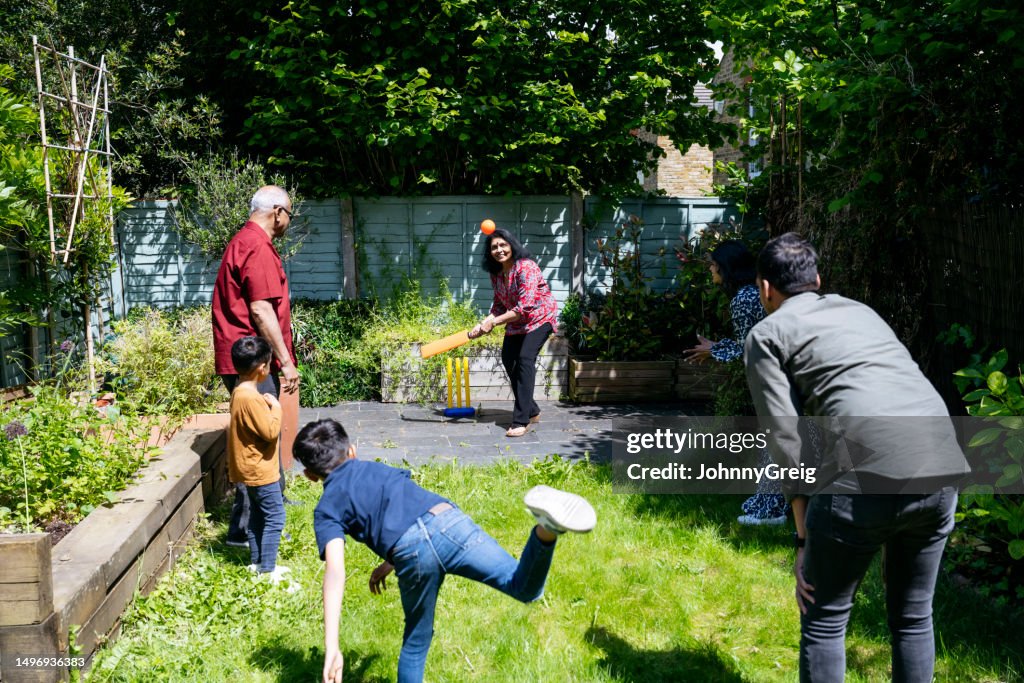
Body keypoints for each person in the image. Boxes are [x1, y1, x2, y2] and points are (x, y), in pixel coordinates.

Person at [744, 233, 967, 682]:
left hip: (865, 474)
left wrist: (804, 540)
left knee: (824, 617)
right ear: (818, 279)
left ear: (765, 288)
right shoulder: (859, 311)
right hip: (943, 460)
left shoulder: (766, 334)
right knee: (913, 615)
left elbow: (788, 440)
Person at [293, 418, 597, 683]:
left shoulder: (326, 508)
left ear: (309, 476)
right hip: (447, 519)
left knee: (416, 641)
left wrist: (332, 645)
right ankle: (547, 529)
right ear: (352, 450)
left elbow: (335, 571)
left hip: (411, 552)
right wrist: (388, 564)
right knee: (523, 587)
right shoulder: (375, 468)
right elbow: (405, 511)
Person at [212, 185, 300, 547]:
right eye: (289, 215)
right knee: (256, 443)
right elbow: (261, 310)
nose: (288, 222)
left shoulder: (245, 241)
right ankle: (246, 530)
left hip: (250, 360)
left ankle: (271, 503)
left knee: (264, 437)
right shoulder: (256, 246)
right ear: (277, 211)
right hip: (253, 362)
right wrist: (286, 361)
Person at [683, 240, 788, 526]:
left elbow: (751, 348)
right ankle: (784, 506)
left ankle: (769, 511)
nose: (710, 268)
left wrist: (713, 350)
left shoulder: (743, 299)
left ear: (726, 267)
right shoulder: (753, 294)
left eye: (713, 263)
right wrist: (716, 346)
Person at [469, 227, 559, 437]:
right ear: (489, 252)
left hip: (539, 318)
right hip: (517, 322)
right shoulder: (497, 274)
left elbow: (524, 306)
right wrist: (483, 323)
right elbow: (500, 306)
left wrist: (494, 323)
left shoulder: (525, 267)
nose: (499, 250)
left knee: (525, 359)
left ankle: (521, 420)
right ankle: (532, 409)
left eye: (503, 245)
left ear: (512, 245)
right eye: (494, 247)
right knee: (508, 358)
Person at [227, 336, 292, 586]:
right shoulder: (252, 398)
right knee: (275, 517)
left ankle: (256, 563)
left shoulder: (239, 392)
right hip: (260, 470)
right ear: (262, 369)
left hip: (248, 468)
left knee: (256, 517)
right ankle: (268, 570)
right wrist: (276, 407)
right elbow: (270, 432)